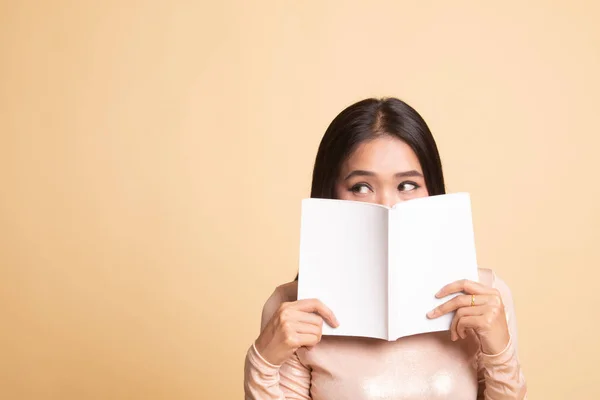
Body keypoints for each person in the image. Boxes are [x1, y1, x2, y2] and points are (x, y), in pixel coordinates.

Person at [244, 97, 527, 399]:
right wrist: (262, 361)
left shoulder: (485, 299)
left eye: (407, 185)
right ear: (330, 194)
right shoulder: (292, 311)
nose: (388, 206)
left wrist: (500, 354)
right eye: (361, 187)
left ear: (432, 191)